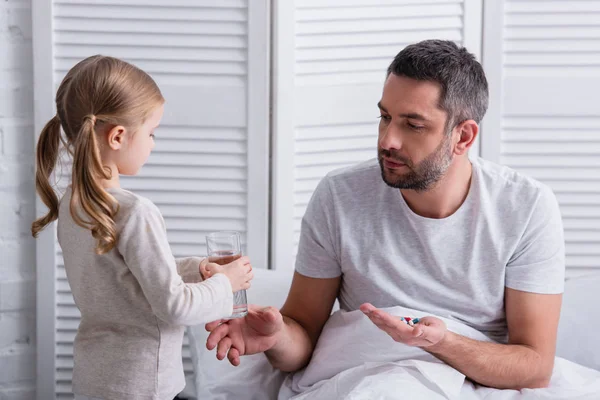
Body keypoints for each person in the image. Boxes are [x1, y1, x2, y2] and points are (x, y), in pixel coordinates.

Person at [205, 40, 565, 390]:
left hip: (469, 382)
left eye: (413, 125)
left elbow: (534, 367)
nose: (387, 140)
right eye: (385, 117)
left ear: (463, 136)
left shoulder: (526, 208)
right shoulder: (339, 196)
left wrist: (439, 342)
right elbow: (301, 338)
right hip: (361, 373)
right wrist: (277, 337)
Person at [31, 55, 254, 400]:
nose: (153, 143)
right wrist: (227, 284)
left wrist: (197, 269)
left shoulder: (73, 203)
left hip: (95, 379)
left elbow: (127, 278)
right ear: (118, 136)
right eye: (151, 133)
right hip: (142, 383)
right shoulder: (135, 212)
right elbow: (174, 306)